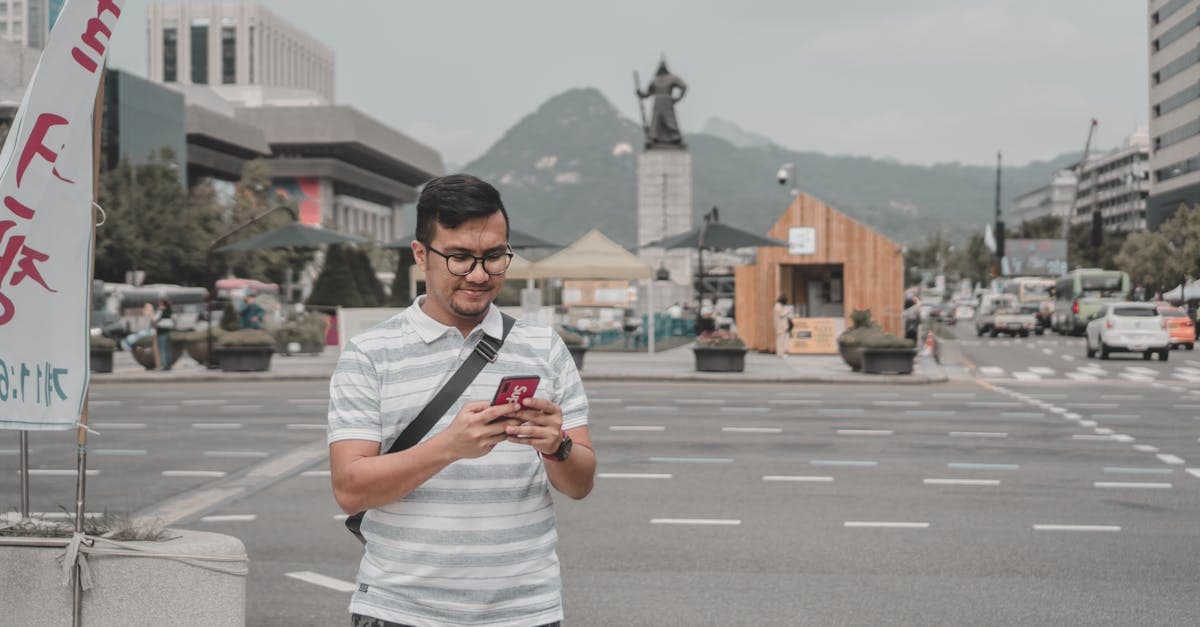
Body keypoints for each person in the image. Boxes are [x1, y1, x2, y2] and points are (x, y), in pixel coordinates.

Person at [328, 174, 596, 627]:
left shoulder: (543, 347)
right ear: (420, 255)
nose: (479, 275)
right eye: (458, 258)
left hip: (525, 611)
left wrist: (558, 447)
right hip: (401, 611)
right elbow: (350, 488)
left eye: (494, 257)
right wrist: (450, 447)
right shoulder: (369, 354)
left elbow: (580, 484)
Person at [154, 297, 174, 370]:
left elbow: (155, 319)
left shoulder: (161, 310)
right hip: (168, 331)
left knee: (162, 350)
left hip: (161, 331)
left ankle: (164, 365)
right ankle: (169, 365)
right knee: (168, 349)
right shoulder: (169, 310)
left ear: (162, 304)